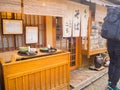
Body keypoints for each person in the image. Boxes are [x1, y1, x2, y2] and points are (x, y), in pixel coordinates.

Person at [103, 6, 120, 90]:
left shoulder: (111, 15)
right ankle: (113, 86)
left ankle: (110, 81)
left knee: (112, 62)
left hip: (110, 43)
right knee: (118, 65)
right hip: (119, 44)